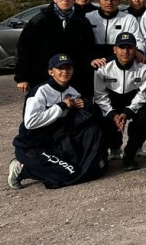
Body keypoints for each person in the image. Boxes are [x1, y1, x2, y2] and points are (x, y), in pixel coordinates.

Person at [8, 53, 108, 190]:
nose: (64, 72)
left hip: (54, 144)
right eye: (60, 68)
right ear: (51, 72)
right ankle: (21, 168)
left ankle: (48, 166)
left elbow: (85, 118)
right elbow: (30, 122)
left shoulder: (72, 92)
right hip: (31, 146)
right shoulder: (40, 92)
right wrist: (61, 106)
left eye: (68, 68)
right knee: (69, 173)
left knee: (79, 168)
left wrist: (85, 104)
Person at [14, 0, 96, 96]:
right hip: (42, 77)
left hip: (74, 79)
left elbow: (88, 49)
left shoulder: (82, 21)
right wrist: (22, 77)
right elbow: (23, 49)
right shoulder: (39, 21)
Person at [93, 31, 146, 170]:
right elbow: (100, 95)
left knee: (145, 115)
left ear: (135, 49)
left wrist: (127, 113)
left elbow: (143, 95)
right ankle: (104, 154)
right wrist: (112, 114)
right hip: (111, 101)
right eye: (121, 47)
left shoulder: (145, 69)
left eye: (130, 47)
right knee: (98, 116)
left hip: (133, 102)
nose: (125, 51)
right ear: (115, 49)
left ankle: (130, 156)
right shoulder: (102, 68)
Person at [87, 0, 146, 66]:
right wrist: (90, 59)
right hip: (93, 62)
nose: (109, 2)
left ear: (119, 1)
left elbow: (139, 40)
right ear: (99, 1)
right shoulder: (88, 17)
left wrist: (139, 51)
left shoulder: (128, 19)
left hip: (120, 63)